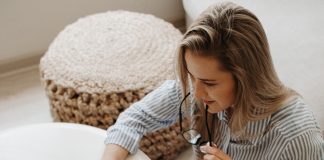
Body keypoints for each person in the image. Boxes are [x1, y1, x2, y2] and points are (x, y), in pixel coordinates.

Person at [101, 2, 324, 160]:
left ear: (246, 77)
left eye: (209, 83)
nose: (196, 93)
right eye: (191, 76)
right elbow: (133, 119)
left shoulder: (296, 138)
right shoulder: (198, 89)